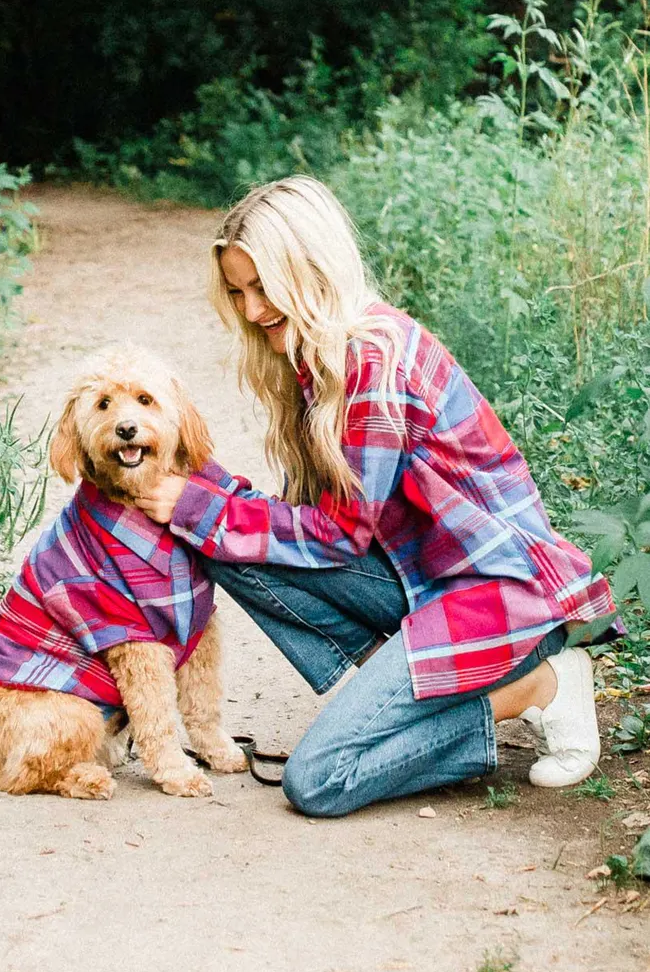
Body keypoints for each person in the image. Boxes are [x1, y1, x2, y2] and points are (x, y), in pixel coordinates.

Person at [134, 175, 619, 818]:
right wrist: (187, 485)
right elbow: (304, 524)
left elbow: (334, 536)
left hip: (495, 598)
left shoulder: (370, 361)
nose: (251, 311)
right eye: (237, 292)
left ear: (311, 268)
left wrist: (198, 504)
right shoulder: (317, 358)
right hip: (423, 579)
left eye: (262, 287)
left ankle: (535, 685)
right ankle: (414, 693)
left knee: (321, 780)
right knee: (219, 538)